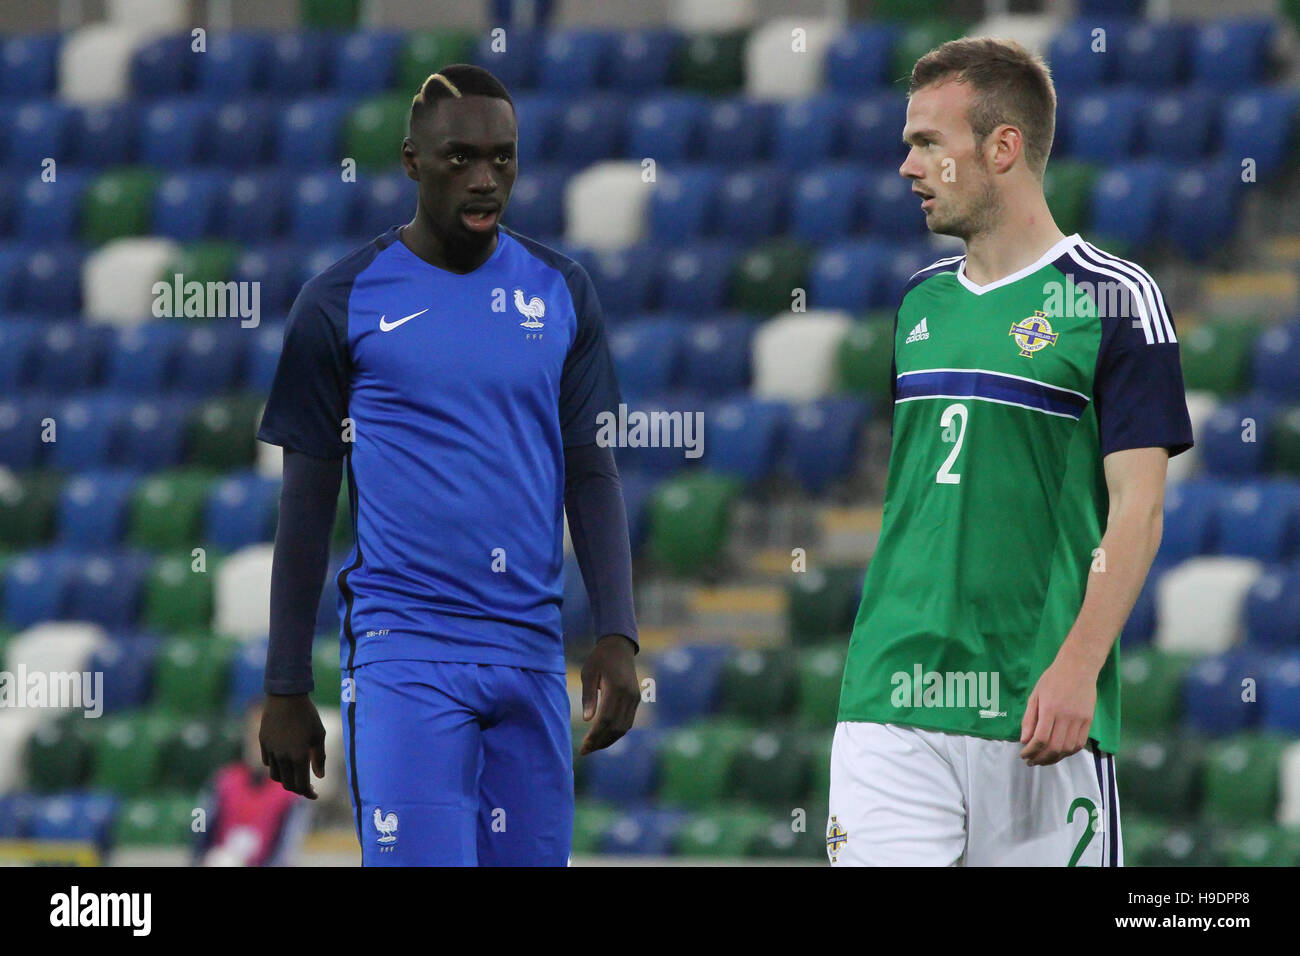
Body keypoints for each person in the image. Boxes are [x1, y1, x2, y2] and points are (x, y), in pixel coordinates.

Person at [255, 64, 640, 866]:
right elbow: (306, 506)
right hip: (405, 654)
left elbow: (591, 470)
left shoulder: (563, 292)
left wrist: (617, 634)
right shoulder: (339, 302)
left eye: (502, 158)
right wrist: (287, 684)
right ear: (410, 162)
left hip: (531, 653)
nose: (484, 178)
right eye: (459, 157)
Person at [828, 37, 1193, 866]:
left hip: (1035, 707)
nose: (907, 166)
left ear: (1002, 147)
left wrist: (1080, 667)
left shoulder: (1115, 300)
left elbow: (1140, 511)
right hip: (891, 696)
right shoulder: (917, 303)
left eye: (927, 143)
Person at [194, 700, 310, 867]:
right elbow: (199, 824)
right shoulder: (222, 781)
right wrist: (199, 856)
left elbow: (286, 849)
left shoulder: (292, 794)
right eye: (253, 735)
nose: (258, 745)